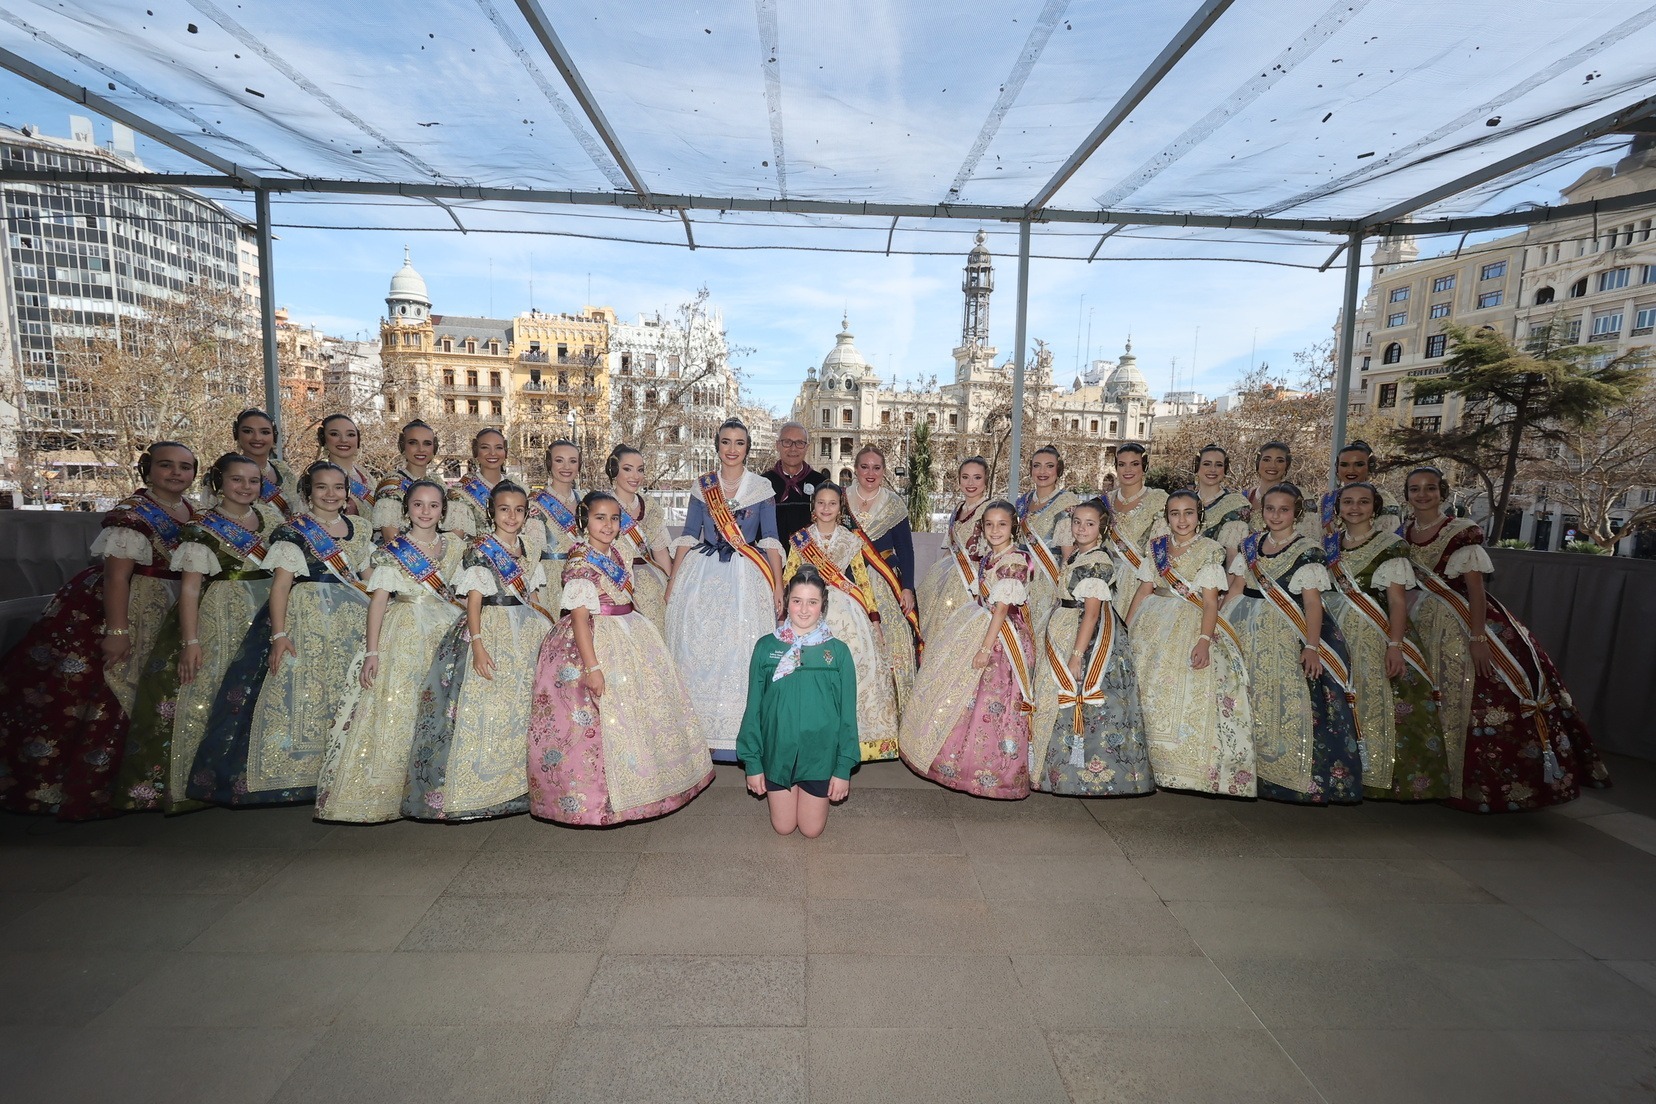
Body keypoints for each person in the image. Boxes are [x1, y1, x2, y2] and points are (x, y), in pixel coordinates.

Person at [0, 442, 198, 820]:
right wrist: (117, 631)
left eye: (185, 467)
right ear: (147, 469)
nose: (176, 473)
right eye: (166, 465)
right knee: (113, 685)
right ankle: (90, 785)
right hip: (128, 606)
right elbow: (116, 577)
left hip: (169, 604)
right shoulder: (132, 515)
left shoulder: (191, 510)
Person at [1400, 467, 1607, 812]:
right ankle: (1437, 779)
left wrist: (1478, 637)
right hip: (1422, 626)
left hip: (1464, 623)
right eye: (1415, 489)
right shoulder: (1403, 532)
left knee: (1479, 696)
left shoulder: (1461, 532)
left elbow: (1476, 590)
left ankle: (1487, 787)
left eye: (1430, 488)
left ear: (1443, 492)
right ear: (1407, 494)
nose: (1423, 495)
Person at [188, 462, 373, 807]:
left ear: (347, 492)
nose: (330, 494)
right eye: (321, 487)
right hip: (306, 618)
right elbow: (281, 587)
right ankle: (297, 774)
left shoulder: (360, 527)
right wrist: (279, 634)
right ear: (307, 492)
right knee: (303, 692)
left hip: (352, 618)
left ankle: (344, 767)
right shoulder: (293, 532)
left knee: (345, 689)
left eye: (338, 487)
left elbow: (365, 575)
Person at [527, 492, 714, 824]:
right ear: (584, 520)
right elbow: (580, 619)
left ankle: (653, 782)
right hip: (597, 638)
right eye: (599, 518)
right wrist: (593, 667)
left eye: (614, 518)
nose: (608, 525)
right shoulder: (580, 562)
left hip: (630, 629)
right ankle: (605, 798)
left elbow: (627, 595)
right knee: (607, 717)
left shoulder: (621, 552)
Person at [116, 453, 280, 812]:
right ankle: (196, 782)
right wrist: (191, 641)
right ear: (219, 482)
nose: (246, 487)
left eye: (253, 480)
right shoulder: (201, 528)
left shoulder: (271, 519)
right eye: (236, 479)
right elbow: (190, 589)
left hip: (266, 608)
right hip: (221, 614)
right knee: (210, 691)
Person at [314, 480, 466, 823]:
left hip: (445, 628)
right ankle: (386, 792)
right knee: (399, 705)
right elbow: (378, 602)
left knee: (442, 706)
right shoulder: (392, 552)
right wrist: (372, 652)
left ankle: (436, 787)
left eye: (433, 505)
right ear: (406, 509)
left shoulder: (454, 547)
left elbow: (459, 591)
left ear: (443, 511)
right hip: (404, 631)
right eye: (418, 504)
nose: (425, 511)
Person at [405, 481, 550, 821]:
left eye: (518, 510)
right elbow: (473, 603)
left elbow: (534, 595)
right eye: (504, 509)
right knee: (489, 707)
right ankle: (481, 790)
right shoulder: (481, 550)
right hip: (491, 628)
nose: (511, 516)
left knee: (522, 707)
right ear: (490, 512)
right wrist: (479, 644)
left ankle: (521, 784)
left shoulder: (529, 548)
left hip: (526, 629)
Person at [1223, 484, 1362, 805]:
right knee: (1247, 695)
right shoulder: (1250, 545)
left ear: (1296, 512)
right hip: (1246, 627)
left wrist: (1312, 647)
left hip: (1286, 633)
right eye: (1270, 509)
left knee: (1285, 699)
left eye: (1283, 509)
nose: (1276, 515)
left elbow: (1312, 604)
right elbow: (1236, 589)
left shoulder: (1308, 551)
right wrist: (1220, 627)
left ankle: (1287, 776)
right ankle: (1246, 771)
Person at [899, 500, 1035, 799]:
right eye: (989, 524)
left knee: (990, 698)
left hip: (1000, 637)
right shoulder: (993, 556)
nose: (995, 530)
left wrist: (985, 649)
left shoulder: (1014, 561)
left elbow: (1002, 610)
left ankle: (990, 771)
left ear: (1014, 526)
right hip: (980, 622)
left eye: (1002, 524)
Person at [665, 419, 784, 760]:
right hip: (701, 575)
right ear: (717, 445)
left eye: (739, 443)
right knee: (697, 646)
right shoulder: (702, 486)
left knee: (740, 647)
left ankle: (739, 734)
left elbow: (771, 539)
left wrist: (778, 586)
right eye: (726, 442)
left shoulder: (761, 487)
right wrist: (673, 581)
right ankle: (699, 734)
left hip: (748, 575)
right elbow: (689, 534)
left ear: (748, 448)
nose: (732, 449)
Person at [1125, 491, 1256, 797]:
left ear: (1199, 516)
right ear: (1166, 517)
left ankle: (1180, 769)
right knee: (1147, 693)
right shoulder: (1157, 547)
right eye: (1175, 513)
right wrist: (1126, 629)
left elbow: (1210, 603)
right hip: (1151, 621)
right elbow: (1143, 590)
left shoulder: (1210, 550)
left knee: (1179, 694)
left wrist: (1204, 640)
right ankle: (1147, 766)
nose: (1182, 520)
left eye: (1188, 513)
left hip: (1189, 622)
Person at [1328, 482, 1451, 801]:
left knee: (1377, 701)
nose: (1355, 508)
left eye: (1363, 502)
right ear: (1338, 508)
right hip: (1337, 634)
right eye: (1348, 501)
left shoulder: (1389, 546)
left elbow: (1397, 601)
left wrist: (1395, 645)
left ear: (1375, 507)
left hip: (1375, 634)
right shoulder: (1329, 545)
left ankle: (1379, 775)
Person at [1030, 498, 1154, 796]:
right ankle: (1049, 771)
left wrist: (1076, 655)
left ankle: (1079, 775)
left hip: (1085, 637)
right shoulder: (1078, 555)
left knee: (1075, 699)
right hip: (1065, 625)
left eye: (1090, 523)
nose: (1081, 528)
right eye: (1077, 522)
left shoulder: (1097, 562)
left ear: (1102, 528)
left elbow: (1092, 613)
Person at [782, 484, 900, 760]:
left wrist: (874, 617)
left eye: (832, 503)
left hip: (847, 610)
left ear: (840, 508)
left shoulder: (851, 539)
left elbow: (862, 580)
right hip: (809, 608)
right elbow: (789, 576)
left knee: (854, 669)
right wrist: (785, 612)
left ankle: (853, 739)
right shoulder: (800, 539)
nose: (826, 508)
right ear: (813, 506)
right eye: (821, 503)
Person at [739, 568, 858, 837]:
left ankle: (809, 787)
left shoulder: (838, 652)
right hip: (777, 751)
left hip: (820, 755)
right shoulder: (765, 647)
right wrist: (753, 763)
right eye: (797, 601)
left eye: (812, 602)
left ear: (822, 605)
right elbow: (754, 708)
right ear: (786, 602)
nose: (804, 610)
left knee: (811, 830)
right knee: (783, 827)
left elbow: (848, 715)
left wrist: (842, 769)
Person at [844, 445, 920, 712]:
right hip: (849, 582)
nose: (870, 473)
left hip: (885, 581)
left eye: (876, 468)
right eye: (865, 467)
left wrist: (907, 587)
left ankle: (893, 711)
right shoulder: (840, 499)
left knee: (892, 640)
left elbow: (906, 549)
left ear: (884, 471)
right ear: (856, 469)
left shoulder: (893, 504)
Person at [916, 456, 990, 646]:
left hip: (974, 580)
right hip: (951, 574)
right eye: (965, 477)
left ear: (986, 480)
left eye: (977, 477)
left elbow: (993, 552)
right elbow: (950, 547)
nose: (970, 483)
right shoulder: (958, 508)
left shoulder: (990, 509)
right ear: (958, 481)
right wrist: (937, 577)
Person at [606, 444, 673, 635]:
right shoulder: (602, 505)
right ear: (614, 470)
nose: (635, 476)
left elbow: (660, 551)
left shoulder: (650, 506)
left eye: (640, 470)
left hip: (652, 585)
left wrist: (670, 587)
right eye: (628, 469)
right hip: (614, 583)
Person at [1015, 444, 1081, 639]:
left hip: (1048, 580)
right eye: (1037, 466)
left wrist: (1063, 591)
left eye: (1049, 466)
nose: (1042, 471)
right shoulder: (1023, 501)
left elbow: (1068, 554)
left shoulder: (1066, 501)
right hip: (1021, 577)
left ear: (1058, 470)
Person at [1104, 442, 1167, 622]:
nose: (1128, 470)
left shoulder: (1159, 500)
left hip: (1141, 584)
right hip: (1105, 581)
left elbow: (1161, 554)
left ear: (1144, 466)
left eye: (1134, 464)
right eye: (1122, 464)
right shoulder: (1104, 501)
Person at [531, 438, 584, 615]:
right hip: (550, 580)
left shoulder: (586, 500)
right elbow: (531, 553)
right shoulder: (536, 504)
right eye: (559, 460)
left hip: (584, 577)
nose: (566, 467)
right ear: (549, 463)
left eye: (573, 461)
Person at [373, 419, 440, 543]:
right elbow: (392, 541)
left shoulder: (437, 483)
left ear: (434, 447)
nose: (421, 449)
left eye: (427, 443)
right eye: (413, 443)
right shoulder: (392, 486)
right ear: (402, 446)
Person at [763, 420, 827, 545]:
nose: (793, 448)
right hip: (770, 556)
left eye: (799, 443)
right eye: (787, 442)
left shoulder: (821, 484)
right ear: (777, 445)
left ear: (807, 447)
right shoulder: (763, 484)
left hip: (812, 555)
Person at [1246, 441, 1321, 544]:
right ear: (1258, 462)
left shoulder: (1300, 495)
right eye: (1267, 459)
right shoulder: (1245, 497)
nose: (1272, 465)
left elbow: (1310, 535)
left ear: (1287, 465)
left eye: (1280, 461)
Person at [1323, 440, 1399, 539]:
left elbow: (1390, 540)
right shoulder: (1327, 500)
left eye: (1359, 464)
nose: (1351, 470)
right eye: (1344, 465)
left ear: (1369, 468)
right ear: (1337, 468)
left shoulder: (1384, 500)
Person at [444, 427, 512, 538]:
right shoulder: (461, 492)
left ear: (505, 451)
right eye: (485, 447)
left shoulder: (518, 487)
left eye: (499, 447)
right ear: (475, 451)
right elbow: (456, 540)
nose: (492, 453)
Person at [232, 408, 299, 518]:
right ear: (236, 434)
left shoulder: (283, 470)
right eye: (248, 431)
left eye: (265, 432)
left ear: (274, 436)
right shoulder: (226, 472)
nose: (257, 438)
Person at [1191, 444, 1251, 563]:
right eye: (1207, 464)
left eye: (1218, 465)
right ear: (1197, 467)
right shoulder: (1183, 502)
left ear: (1225, 469)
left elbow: (1233, 557)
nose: (1212, 469)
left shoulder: (1236, 505)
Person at [317, 413, 378, 518]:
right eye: (334, 434)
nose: (344, 440)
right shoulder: (317, 476)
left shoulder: (364, 473)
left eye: (350, 435)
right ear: (323, 439)